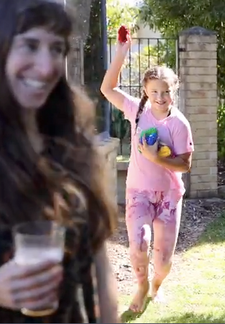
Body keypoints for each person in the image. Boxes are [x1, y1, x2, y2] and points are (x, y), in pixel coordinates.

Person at [0, 0, 120, 322]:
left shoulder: (72, 142)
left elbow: (99, 264)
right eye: (30, 45)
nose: (46, 66)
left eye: (56, 48)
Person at [101, 36, 194, 312]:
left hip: (168, 196)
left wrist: (156, 157)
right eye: (154, 92)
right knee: (139, 243)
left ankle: (156, 284)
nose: (160, 98)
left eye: (165, 92)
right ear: (145, 91)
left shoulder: (179, 124)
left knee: (164, 261)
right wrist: (122, 51)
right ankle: (141, 285)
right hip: (138, 191)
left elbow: (185, 165)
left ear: (173, 91)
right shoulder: (137, 111)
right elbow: (107, 88)